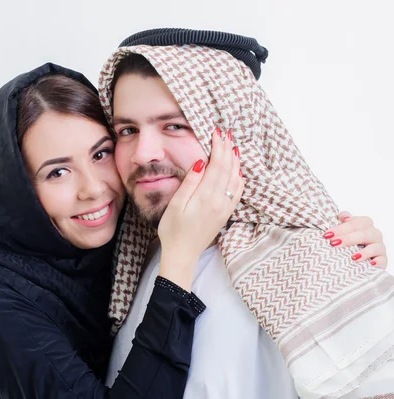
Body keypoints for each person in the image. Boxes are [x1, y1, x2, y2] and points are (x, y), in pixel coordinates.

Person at [0, 63, 244, 398]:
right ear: (15, 193)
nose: (93, 189)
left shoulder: (113, 258)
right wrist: (179, 259)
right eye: (58, 172)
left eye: (101, 153)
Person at [98, 29, 393, 398]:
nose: (143, 154)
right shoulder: (134, 252)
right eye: (127, 130)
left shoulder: (304, 263)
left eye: (174, 125)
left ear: (233, 132)